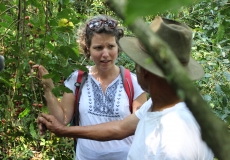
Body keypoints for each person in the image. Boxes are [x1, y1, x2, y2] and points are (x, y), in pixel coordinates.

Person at [37, 16, 214, 159]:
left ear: (145, 71)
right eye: (98, 47)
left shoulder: (171, 142)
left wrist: (63, 131)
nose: (105, 53)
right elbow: (120, 128)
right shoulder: (156, 108)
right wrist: (62, 128)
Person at [34, 14, 147, 160]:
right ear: (88, 49)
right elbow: (62, 120)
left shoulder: (133, 82)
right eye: (98, 47)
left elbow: (138, 126)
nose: (105, 54)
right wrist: (48, 89)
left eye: (111, 46)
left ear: (118, 48)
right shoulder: (78, 79)